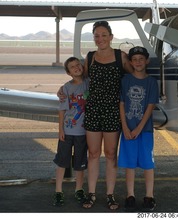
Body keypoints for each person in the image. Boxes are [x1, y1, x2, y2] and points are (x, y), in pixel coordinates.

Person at [56, 21, 132, 209]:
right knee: (93, 154)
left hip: (112, 112)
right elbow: (80, 79)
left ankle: (110, 194)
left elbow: (132, 77)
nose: (100, 39)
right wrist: (63, 88)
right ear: (94, 38)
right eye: (97, 35)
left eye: (104, 35)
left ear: (111, 37)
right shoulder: (90, 57)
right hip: (93, 111)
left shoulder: (120, 56)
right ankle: (91, 193)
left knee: (111, 154)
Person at [118, 46, 159, 212]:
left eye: (141, 59)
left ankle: (149, 196)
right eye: (134, 59)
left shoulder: (151, 82)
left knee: (148, 164)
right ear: (130, 62)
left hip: (145, 130)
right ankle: (130, 195)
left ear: (147, 61)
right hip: (128, 129)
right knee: (130, 164)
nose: (138, 62)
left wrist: (139, 128)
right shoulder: (126, 80)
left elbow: (149, 107)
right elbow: (121, 104)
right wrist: (125, 127)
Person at [53, 57, 89, 206]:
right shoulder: (66, 88)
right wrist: (60, 129)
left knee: (80, 164)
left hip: (83, 132)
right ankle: (58, 191)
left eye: (78, 65)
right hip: (68, 131)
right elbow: (62, 110)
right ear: (69, 73)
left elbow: (89, 60)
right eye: (72, 67)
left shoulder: (89, 83)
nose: (76, 68)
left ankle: (79, 189)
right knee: (62, 162)